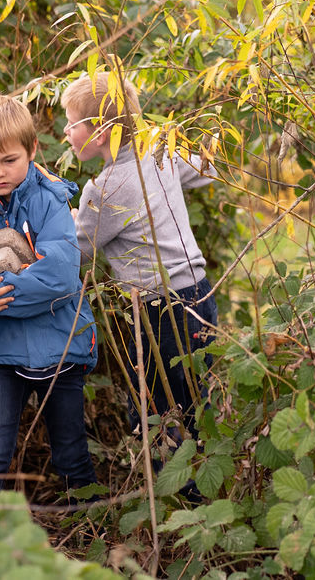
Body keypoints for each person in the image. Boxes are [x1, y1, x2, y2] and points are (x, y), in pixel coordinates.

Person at [0, 95, 98, 497]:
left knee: (71, 453)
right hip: (1, 353)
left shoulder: (50, 201)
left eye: (9, 160)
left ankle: (92, 526)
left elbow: (60, 276)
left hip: (61, 345)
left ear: (31, 150)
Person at [61, 71, 218, 439]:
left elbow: (76, 251)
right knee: (198, 405)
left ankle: (170, 476)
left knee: (158, 415)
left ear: (100, 133)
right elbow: (207, 169)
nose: (65, 132)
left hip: (160, 311)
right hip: (200, 293)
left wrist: (72, 221)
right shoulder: (159, 152)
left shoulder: (104, 189)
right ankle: (204, 468)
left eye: (72, 124)